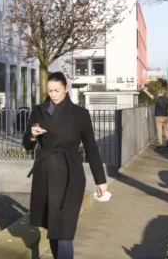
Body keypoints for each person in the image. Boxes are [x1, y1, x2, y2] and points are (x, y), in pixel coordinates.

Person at [23, 72, 108, 259]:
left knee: (65, 230)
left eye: (57, 90)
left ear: (66, 88)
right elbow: (27, 145)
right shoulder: (38, 110)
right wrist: (32, 135)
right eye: (50, 90)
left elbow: (91, 149)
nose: (53, 94)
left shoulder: (80, 114)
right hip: (45, 173)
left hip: (71, 174)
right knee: (53, 228)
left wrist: (101, 181)